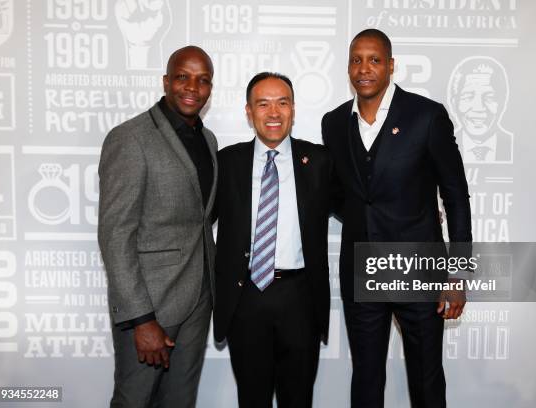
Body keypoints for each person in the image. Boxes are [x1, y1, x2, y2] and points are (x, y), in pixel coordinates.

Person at [321, 29, 472, 408]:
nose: (364, 68)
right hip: (362, 270)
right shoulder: (334, 123)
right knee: (367, 378)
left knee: (426, 378)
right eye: (356, 60)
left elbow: (455, 195)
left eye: (374, 59)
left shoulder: (427, 116)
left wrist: (458, 272)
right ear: (348, 68)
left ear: (391, 65)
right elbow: (342, 195)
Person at [98, 45, 217, 408]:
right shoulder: (130, 138)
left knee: (180, 401)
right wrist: (141, 319)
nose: (192, 87)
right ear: (166, 81)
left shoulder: (208, 140)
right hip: (152, 305)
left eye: (203, 80)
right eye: (183, 77)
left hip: (198, 299)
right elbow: (115, 233)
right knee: (134, 400)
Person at [214, 72, 333, 408]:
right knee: (252, 399)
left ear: (293, 109)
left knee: (298, 400)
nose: (274, 112)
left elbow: (360, 207)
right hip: (245, 297)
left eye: (282, 103)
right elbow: (195, 219)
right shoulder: (226, 162)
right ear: (249, 112)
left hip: (300, 298)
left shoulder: (319, 162)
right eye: (263, 104)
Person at [448, 56, 513, 164]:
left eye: (489, 97)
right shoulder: (442, 147)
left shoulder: (518, 149)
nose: (479, 108)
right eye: (468, 96)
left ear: (502, 101)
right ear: (454, 103)